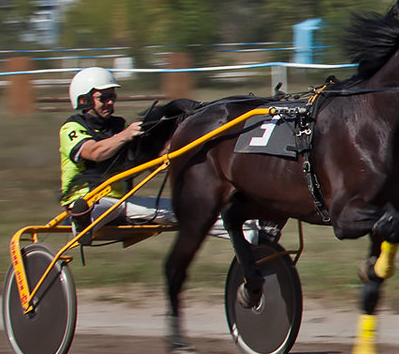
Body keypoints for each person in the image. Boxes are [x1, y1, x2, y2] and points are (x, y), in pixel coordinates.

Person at [60, 67, 272, 241]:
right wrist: (125, 135)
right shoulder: (71, 128)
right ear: (84, 100)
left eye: (112, 96)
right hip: (88, 201)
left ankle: (252, 232)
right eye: (103, 97)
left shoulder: (118, 125)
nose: (110, 102)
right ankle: (82, 221)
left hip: (121, 203)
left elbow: (135, 162)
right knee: (94, 209)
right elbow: (95, 152)